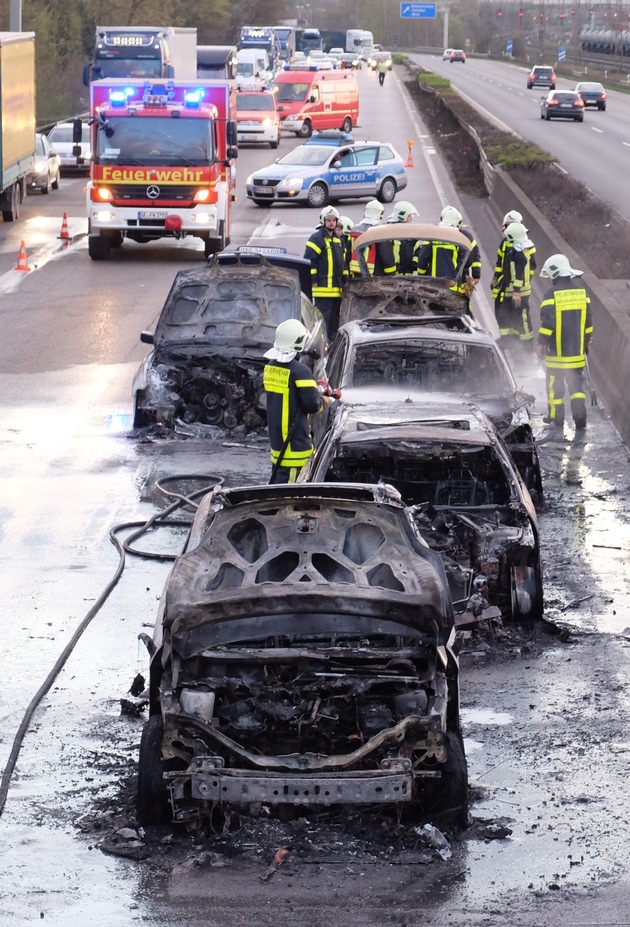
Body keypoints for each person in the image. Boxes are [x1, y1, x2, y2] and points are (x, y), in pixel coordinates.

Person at [536, 254, 593, 440]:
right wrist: (587, 340)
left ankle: (556, 419)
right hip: (576, 355)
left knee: (555, 389)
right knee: (577, 388)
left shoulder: (551, 295)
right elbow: (588, 323)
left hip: (556, 357)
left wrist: (541, 343)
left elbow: (547, 324)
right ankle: (580, 419)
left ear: (554, 274)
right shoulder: (582, 294)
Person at [263, 319, 324, 484]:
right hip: (295, 446)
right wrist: (323, 399)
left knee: (278, 485)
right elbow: (313, 406)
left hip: (279, 444)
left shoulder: (271, 367)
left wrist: (312, 388)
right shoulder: (300, 372)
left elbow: (290, 394)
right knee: (289, 495)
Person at [414, 205, 481, 302]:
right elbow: (470, 260)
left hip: (433, 286)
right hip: (456, 288)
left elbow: (422, 260)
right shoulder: (464, 237)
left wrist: (422, 276)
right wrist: (476, 275)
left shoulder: (432, 236)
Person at [303, 205, 345, 339]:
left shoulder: (338, 240)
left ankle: (333, 344)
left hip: (337, 289)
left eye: (334, 220)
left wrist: (345, 283)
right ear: (323, 221)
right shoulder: (316, 239)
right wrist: (314, 280)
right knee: (322, 320)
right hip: (322, 289)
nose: (331, 222)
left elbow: (342, 264)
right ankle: (322, 343)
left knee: (335, 320)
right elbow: (310, 262)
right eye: (329, 220)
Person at [495, 221, 537, 351]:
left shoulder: (519, 254)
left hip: (520, 293)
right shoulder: (517, 250)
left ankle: (528, 346)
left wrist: (516, 292)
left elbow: (519, 274)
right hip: (517, 291)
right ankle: (509, 341)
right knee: (508, 314)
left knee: (523, 319)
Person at [349, 199, 384, 276]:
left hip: (354, 272)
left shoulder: (354, 230)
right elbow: (384, 255)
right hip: (373, 273)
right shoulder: (379, 231)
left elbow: (348, 251)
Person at [385, 200, 419, 275]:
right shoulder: (389, 231)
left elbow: (417, 250)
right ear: (403, 215)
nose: (411, 218)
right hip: (392, 276)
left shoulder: (410, 233)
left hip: (406, 278)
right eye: (409, 215)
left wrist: (415, 263)